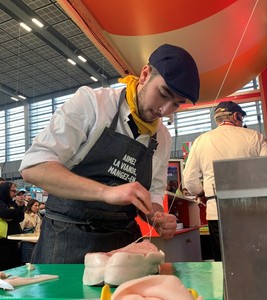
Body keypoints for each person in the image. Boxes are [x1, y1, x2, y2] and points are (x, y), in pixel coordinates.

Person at [19, 44, 200, 263]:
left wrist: (156, 216)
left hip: (123, 245)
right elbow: (34, 167)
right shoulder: (92, 105)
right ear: (145, 75)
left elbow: (153, 194)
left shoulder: (162, 137)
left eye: (177, 104)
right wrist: (105, 192)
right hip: (66, 239)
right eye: (163, 94)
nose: (165, 110)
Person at [183, 101, 267, 261]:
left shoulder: (201, 140)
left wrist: (202, 194)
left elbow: (189, 180)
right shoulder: (255, 137)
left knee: (224, 261)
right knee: (255, 260)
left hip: (216, 210)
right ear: (236, 116)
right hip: (251, 210)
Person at [0, 182, 25, 271]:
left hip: (13, 240)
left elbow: (21, 217)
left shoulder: (12, 203)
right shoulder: (1, 202)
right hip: (2, 241)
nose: (15, 193)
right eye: (13, 191)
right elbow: (4, 213)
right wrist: (13, 213)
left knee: (13, 267)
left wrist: (12, 213)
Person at [19, 199, 42, 264]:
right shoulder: (25, 216)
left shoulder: (37, 216)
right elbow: (21, 229)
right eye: (35, 206)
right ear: (30, 206)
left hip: (36, 242)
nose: (37, 207)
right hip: (27, 242)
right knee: (27, 263)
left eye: (38, 206)